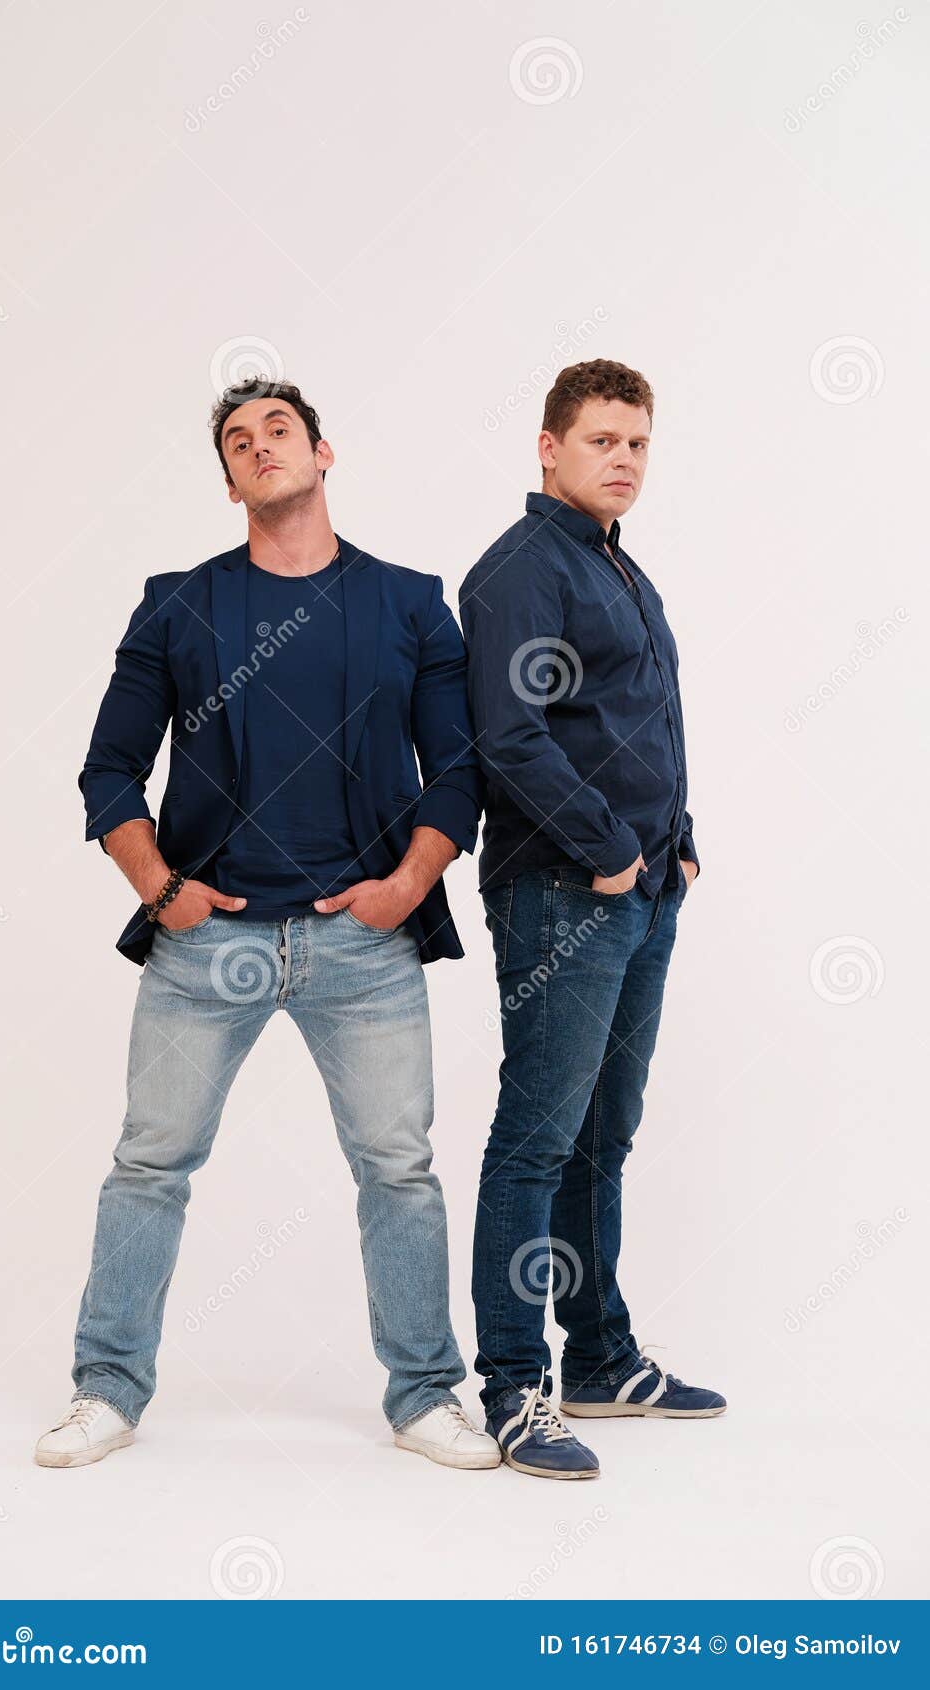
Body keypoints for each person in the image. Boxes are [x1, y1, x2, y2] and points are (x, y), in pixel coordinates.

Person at [35, 378, 498, 1473]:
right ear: (229, 478)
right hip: (208, 941)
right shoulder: (178, 606)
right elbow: (110, 769)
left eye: (276, 430)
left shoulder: (409, 603)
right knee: (150, 1162)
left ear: (322, 452)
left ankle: (426, 1394)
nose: (258, 448)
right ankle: (106, 1389)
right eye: (236, 442)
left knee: (399, 1169)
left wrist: (404, 884)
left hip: (363, 942)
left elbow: (459, 772)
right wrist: (161, 890)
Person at [459, 359, 725, 1481]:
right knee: (533, 1141)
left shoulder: (617, 568)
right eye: (602, 439)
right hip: (562, 897)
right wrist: (611, 848)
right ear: (546, 446)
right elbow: (508, 737)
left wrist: (677, 836)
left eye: (637, 443)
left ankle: (601, 1358)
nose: (622, 458)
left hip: (640, 891)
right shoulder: (522, 570)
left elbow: (637, 715)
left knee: (599, 1138)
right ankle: (514, 1384)